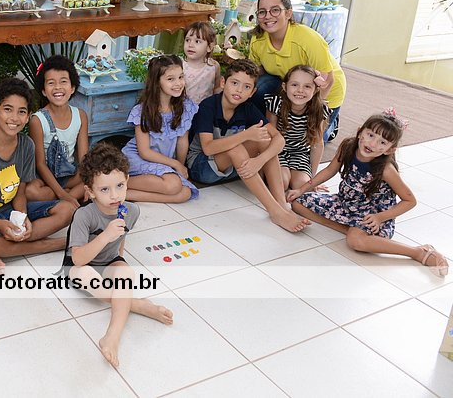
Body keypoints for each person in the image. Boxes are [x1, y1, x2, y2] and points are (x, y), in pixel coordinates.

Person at [289, 111, 448, 276]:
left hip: (372, 213)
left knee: (355, 242)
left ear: (389, 150)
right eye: (370, 135)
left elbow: (410, 201)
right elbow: (330, 170)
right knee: (297, 203)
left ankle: (417, 252)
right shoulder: (347, 146)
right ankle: (350, 229)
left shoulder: (386, 169)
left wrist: (380, 218)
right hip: (346, 203)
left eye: (382, 142)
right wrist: (301, 189)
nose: (372, 143)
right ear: (360, 132)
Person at [62, 141, 173, 368]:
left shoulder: (132, 210)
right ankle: (136, 306)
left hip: (109, 260)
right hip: (80, 265)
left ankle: (111, 336)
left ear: (127, 181)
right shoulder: (84, 215)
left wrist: (119, 261)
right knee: (87, 276)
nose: (115, 195)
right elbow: (78, 259)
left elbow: (121, 241)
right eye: (104, 189)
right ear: (90, 191)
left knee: (127, 273)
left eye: (120, 186)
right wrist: (105, 236)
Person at [0, 78, 76, 275]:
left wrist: (22, 217)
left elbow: (20, 191)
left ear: (28, 116)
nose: (14, 118)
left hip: (10, 210)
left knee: (68, 210)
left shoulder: (26, 145)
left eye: (21, 112)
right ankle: (53, 245)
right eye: (7, 109)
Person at [186, 59, 311, 232]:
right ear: (223, 82)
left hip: (232, 168)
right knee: (238, 148)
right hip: (201, 166)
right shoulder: (208, 106)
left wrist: (260, 160)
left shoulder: (248, 108)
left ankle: (282, 204)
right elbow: (208, 148)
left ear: (252, 92)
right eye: (234, 83)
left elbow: (279, 139)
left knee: (265, 141)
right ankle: (275, 211)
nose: (239, 90)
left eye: (246, 87)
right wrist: (246, 135)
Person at [249, 0, 343, 142]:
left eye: (275, 10)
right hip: (290, 85)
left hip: (324, 93)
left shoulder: (308, 40)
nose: (268, 16)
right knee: (258, 87)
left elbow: (327, 82)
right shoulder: (258, 39)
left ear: (288, 13)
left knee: (308, 143)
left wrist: (313, 116)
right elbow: (255, 72)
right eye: (262, 12)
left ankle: (332, 123)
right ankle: (262, 126)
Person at [122, 55, 199, 204]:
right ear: (157, 82)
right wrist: (175, 164)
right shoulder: (142, 111)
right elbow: (144, 152)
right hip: (139, 158)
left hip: (164, 163)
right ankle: (118, 183)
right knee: (173, 185)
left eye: (180, 77)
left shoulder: (185, 107)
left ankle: (126, 194)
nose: (178, 83)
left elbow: (182, 141)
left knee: (186, 193)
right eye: (170, 79)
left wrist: (180, 166)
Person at [25, 55, 89, 208]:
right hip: (44, 177)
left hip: (70, 176)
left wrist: (88, 181)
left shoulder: (80, 115)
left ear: (72, 88)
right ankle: (69, 197)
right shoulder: (37, 120)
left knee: (96, 177)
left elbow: (84, 159)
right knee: (30, 191)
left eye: (63, 81)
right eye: (51, 83)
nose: (58, 87)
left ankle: (65, 197)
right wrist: (61, 193)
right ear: (43, 90)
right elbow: (40, 164)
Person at [265, 64, 332, 194]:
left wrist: (313, 180)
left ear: (315, 90)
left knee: (302, 185)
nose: (300, 90)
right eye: (294, 85)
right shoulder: (276, 104)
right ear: (285, 86)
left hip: (300, 153)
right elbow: (270, 135)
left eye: (307, 86)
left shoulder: (318, 110)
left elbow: (317, 144)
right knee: (282, 182)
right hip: (278, 151)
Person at [182, 21, 221, 104]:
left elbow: (217, 88)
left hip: (205, 108)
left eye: (197, 41)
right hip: (183, 109)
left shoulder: (213, 66)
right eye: (187, 40)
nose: (190, 45)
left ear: (209, 47)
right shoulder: (180, 66)